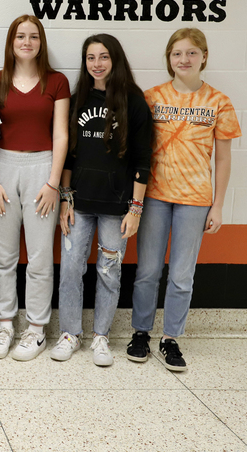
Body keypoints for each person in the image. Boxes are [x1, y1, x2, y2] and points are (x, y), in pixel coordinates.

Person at [127, 28, 240, 372]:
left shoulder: (219, 102)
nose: (184, 59)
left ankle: (170, 338)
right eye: (177, 53)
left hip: (195, 199)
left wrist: (218, 205)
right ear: (169, 58)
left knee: (181, 274)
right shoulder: (152, 97)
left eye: (192, 52)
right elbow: (137, 151)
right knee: (148, 271)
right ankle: (141, 333)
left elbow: (223, 159)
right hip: (155, 197)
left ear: (204, 57)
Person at [50, 34, 152, 367]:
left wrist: (136, 208)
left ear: (115, 59)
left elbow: (143, 160)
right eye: (91, 57)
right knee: (70, 270)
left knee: (109, 272)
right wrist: (65, 199)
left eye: (104, 56)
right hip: (78, 204)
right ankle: (70, 334)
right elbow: (68, 156)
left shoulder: (134, 103)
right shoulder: (77, 100)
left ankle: (101, 336)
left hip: (116, 207)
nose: (97, 63)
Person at [0, 15, 70, 361]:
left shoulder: (57, 82)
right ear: (11, 42)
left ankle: (36, 329)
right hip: (3, 167)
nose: (27, 42)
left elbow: (61, 134)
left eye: (33, 37)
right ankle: (5, 323)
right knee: (3, 255)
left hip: (42, 168)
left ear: (41, 42)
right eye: (20, 36)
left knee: (39, 255)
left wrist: (53, 183)